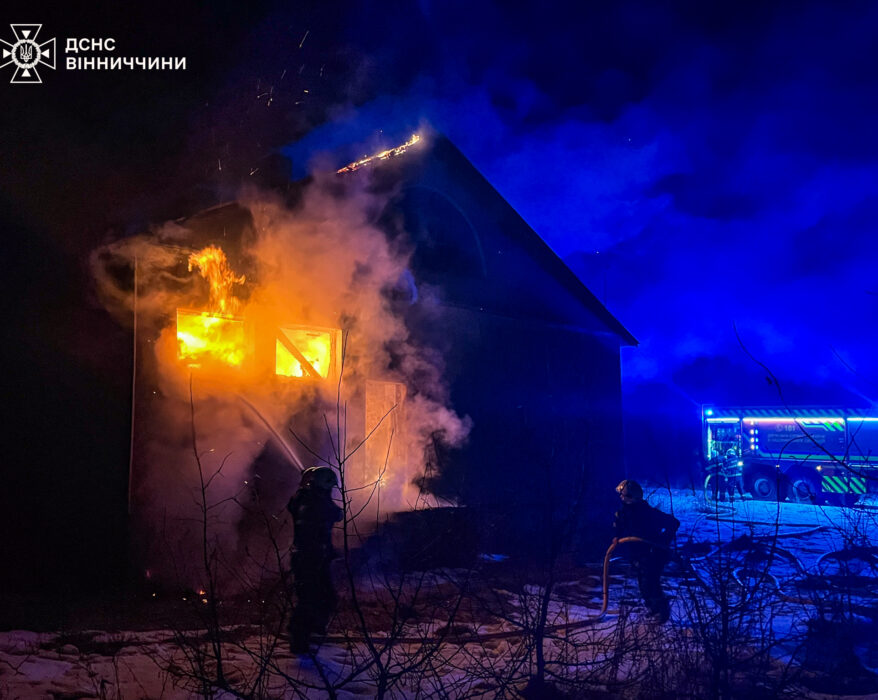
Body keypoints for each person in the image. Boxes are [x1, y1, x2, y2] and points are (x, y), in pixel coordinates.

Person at [287, 466, 343, 654]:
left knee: (323, 597)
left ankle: (313, 631)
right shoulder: (317, 503)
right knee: (311, 599)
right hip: (310, 558)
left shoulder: (303, 498)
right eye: (330, 488)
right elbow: (337, 514)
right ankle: (299, 640)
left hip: (309, 557)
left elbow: (293, 504)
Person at [612, 479, 680, 623]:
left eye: (624, 495)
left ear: (631, 496)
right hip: (639, 554)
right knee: (644, 583)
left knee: (650, 582)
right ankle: (653, 610)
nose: (621, 498)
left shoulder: (647, 513)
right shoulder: (624, 513)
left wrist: (662, 541)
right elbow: (621, 526)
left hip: (654, 553)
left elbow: (674, 523)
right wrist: (617, 536)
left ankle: (661, 612)